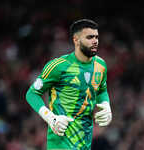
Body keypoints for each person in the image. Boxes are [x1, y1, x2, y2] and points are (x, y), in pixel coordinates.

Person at [26, 19, 112, 150]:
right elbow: (32, 94)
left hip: (85, 145)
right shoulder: (58, 66)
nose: (95, 41)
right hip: (60, 145)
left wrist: (106, 105)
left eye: (96, 37)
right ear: (76, 40)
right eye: (89, 37)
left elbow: (101, 90)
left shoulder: (101, 65)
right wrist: (50, 117)